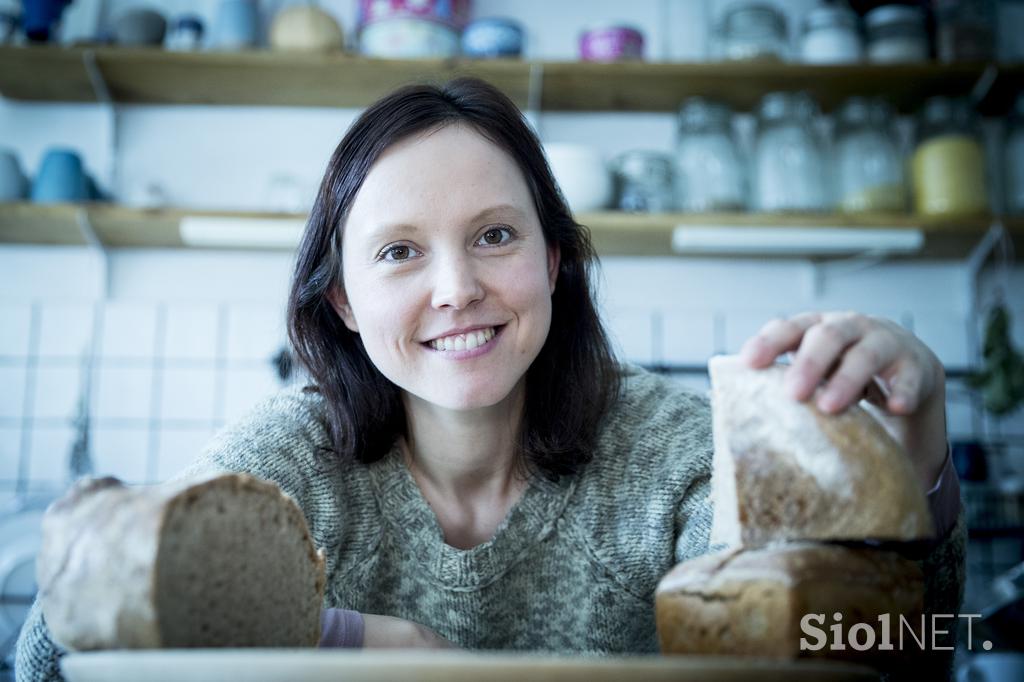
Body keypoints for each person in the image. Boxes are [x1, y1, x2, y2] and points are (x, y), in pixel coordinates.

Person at [16, 77, 964, 680]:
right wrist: (337, 639)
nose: (458, 289)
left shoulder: (678, 449)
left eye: (496, 236)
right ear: (342, 299)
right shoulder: (284, 459)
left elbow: (892, 662)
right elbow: (55, 656)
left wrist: (913, 473)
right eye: (397, 253)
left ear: (554, 260)